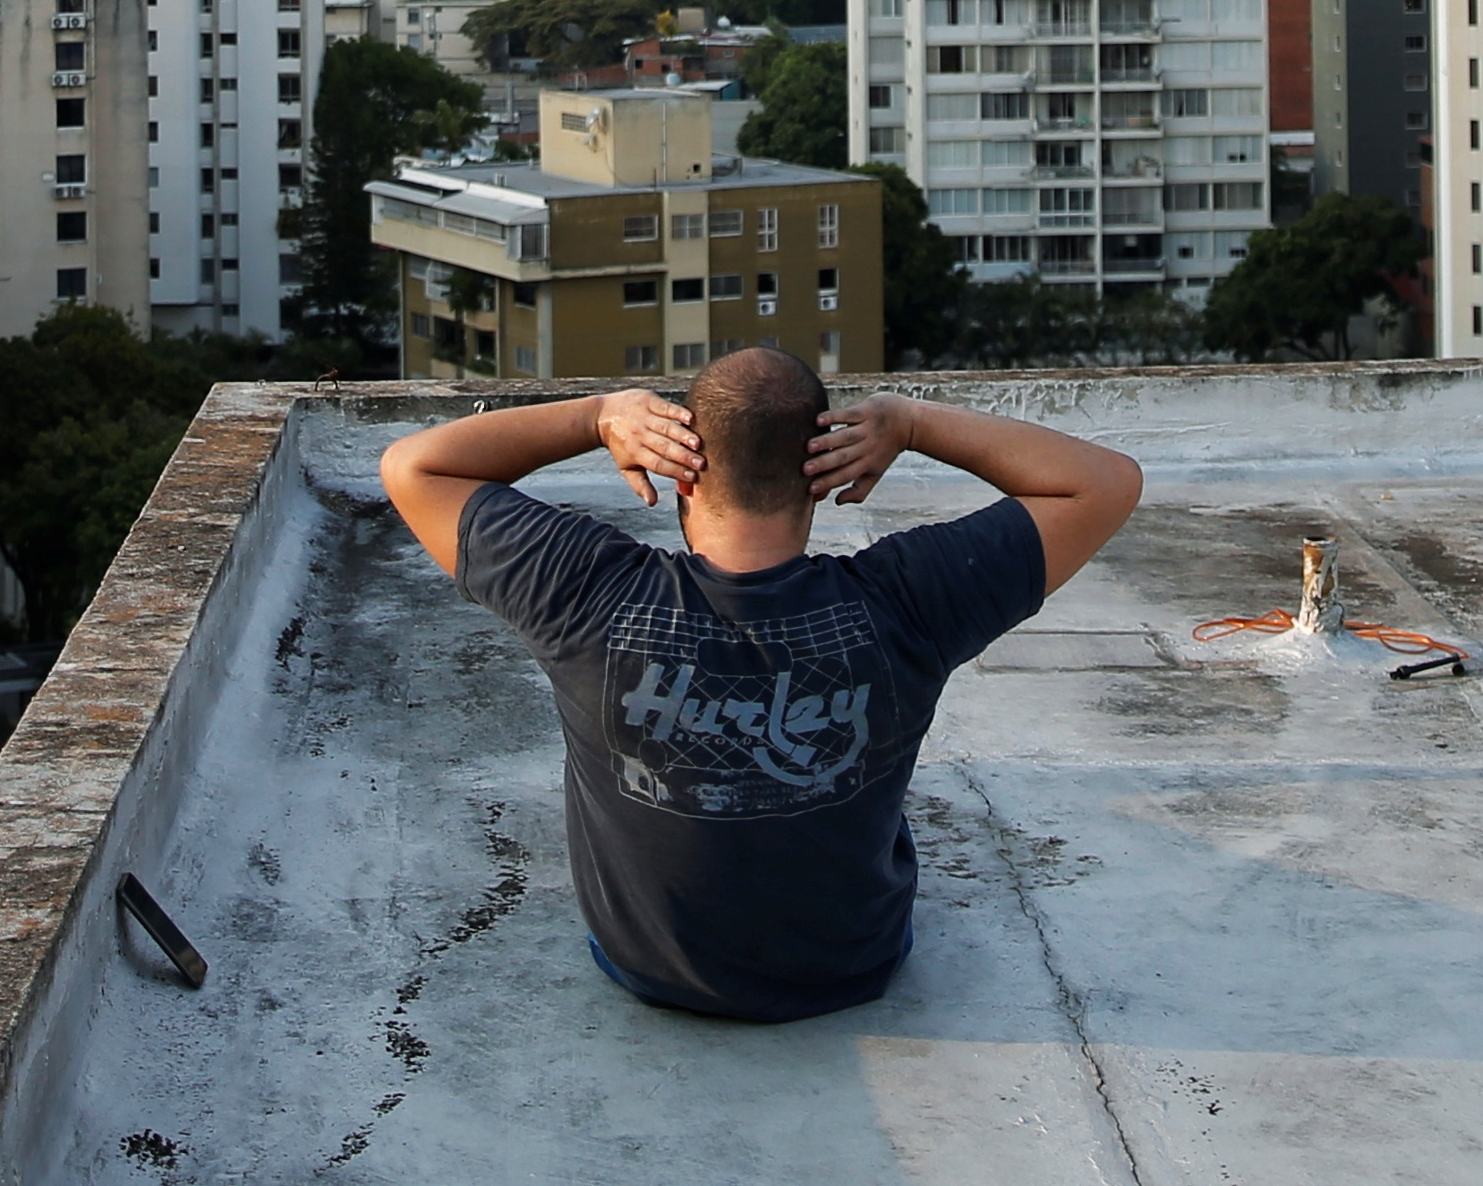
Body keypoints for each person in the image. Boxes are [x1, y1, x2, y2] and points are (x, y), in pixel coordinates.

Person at [378, 348, 1145, 1023]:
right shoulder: (909, 598)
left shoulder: (585, 590)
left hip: (651, 967)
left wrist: (598, 415)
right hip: (851, 963)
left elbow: (413, 465)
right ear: (819, 481)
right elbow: (1102, 481)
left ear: (682, 471)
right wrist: (909, 423)